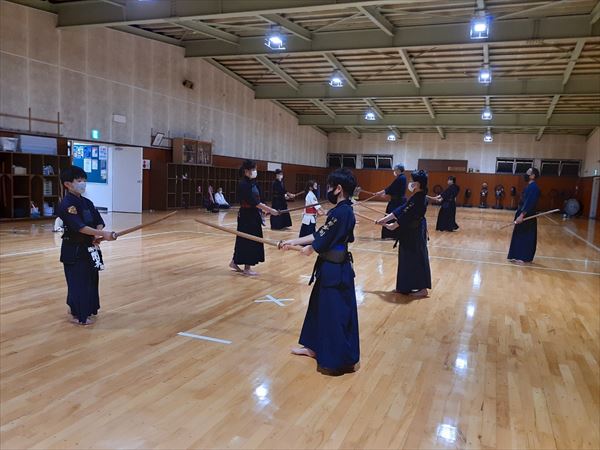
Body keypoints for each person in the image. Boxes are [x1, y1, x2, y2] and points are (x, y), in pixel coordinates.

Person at [280, 168, 359, 376]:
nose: (328, 190)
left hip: (335, 270)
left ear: (339, 188)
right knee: (318, 307)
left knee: (333, 313)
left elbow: (320, 240)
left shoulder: (342, 212)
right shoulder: (343, 210)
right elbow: (320, 235)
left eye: (331, 186)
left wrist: (311, 248)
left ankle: (335, 358)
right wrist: (293, 241)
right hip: (331, 267)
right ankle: (313, 346)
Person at [58, 166, 116, 325]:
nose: (83, 183)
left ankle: (88, 309)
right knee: (78, 282)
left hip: (89, 248)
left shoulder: (87, 202)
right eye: (79, 180)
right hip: (74, 249)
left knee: (91, 280)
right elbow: (80, 227)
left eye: (84, 180)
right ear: (68, 184)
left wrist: (97, 234)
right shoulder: (67, 204)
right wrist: (102, 234)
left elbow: (98, 221)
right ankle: (78, 314)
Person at [376, 170, 431, 297]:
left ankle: (423, 289)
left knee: (416, 258)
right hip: (410, 231)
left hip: (415, 232)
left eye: (412, 181)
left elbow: (408, 215)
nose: (410, 183)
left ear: (417, 184)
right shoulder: (416, 197)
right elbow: (402, 209)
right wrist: (385, 219)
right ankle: (404, 287)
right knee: (406, 259)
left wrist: (394, 225)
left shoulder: (420, 198)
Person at [230, 160, 279, 276]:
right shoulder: (243, 184)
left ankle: (234, 262)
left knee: (247, 240)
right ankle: (247, 268)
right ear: (246, 171)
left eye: (255, 169)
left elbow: (259, 199)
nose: (255, 171)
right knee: (248, 240)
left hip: (253, 214)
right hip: (247, 216)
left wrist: (264, 210)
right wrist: (270, 210)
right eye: (253, 169)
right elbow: (254, 202)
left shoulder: (253, 183)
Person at [508, 168, 541, 264]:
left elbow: (529, 203)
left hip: (527, 216)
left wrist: (522, 215)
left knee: (526, 236)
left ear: (533, 176)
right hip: (521, 213)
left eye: (528, 172)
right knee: (518, 234)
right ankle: (516, 255)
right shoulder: (528, 187)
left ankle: (524, 257)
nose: (526, 174)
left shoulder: (534, 188)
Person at [376, 164, 407, 239]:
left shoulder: (401, 178)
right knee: (393, 216)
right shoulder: (402, 178)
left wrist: (381, 192)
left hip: (397, 202)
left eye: (395, 169)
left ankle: (391, 235)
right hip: (397, 200)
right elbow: (394, 190)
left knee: (391, 216)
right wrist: (384, 194)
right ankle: (394, 235)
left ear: (399, 170)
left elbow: (391, 188)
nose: (394, 171)